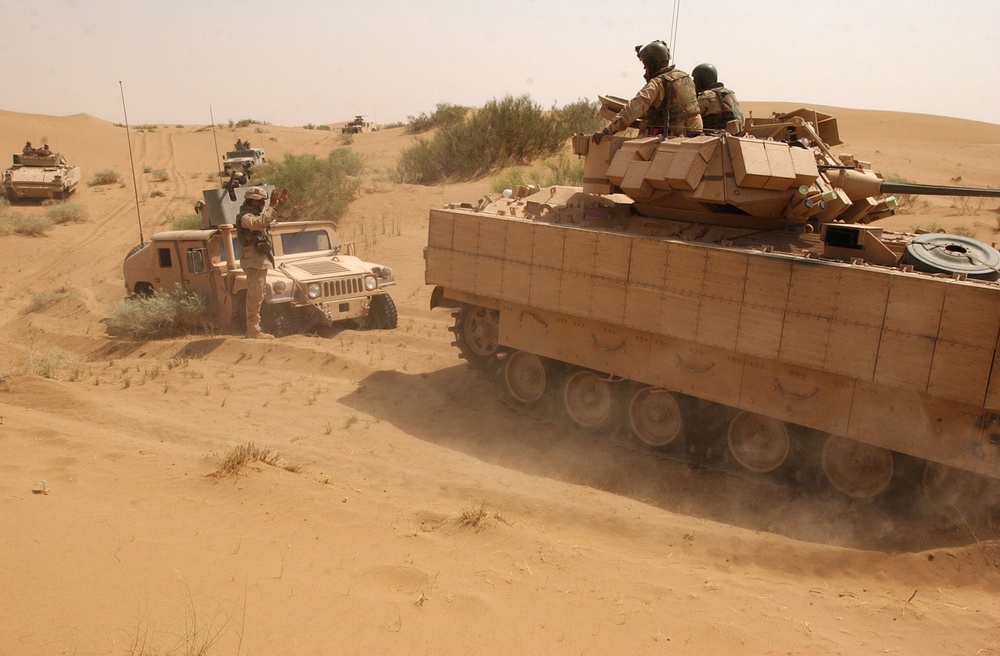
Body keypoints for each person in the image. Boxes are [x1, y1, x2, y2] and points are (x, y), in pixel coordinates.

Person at [594, 40, 702, 142]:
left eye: (645, 64)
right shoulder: (686, 77)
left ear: (652, 63)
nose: (644, 69)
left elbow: (634, 108)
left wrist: (608, 130)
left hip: (675, 136)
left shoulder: (657, 83)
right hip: (697, 133)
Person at [236, 185, 288, 339]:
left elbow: (266, 219)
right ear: (253, 201)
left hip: (258, 260)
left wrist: (278, 205)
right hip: (252, 261)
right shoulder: (246, 218)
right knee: (255, 295)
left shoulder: (256, 215)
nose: (263, 204)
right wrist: (272, 205)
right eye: (261, 202)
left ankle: (254, 329)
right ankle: (253, 331)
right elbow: (259, 223)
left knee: (259, 295)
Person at [692, 63, 743, 133]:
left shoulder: (708, 95)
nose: (694, 83)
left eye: (695, 80)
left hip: (714, 136)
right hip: (736, 134)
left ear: (702, 80)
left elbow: (692, 115)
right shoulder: (730, 94)